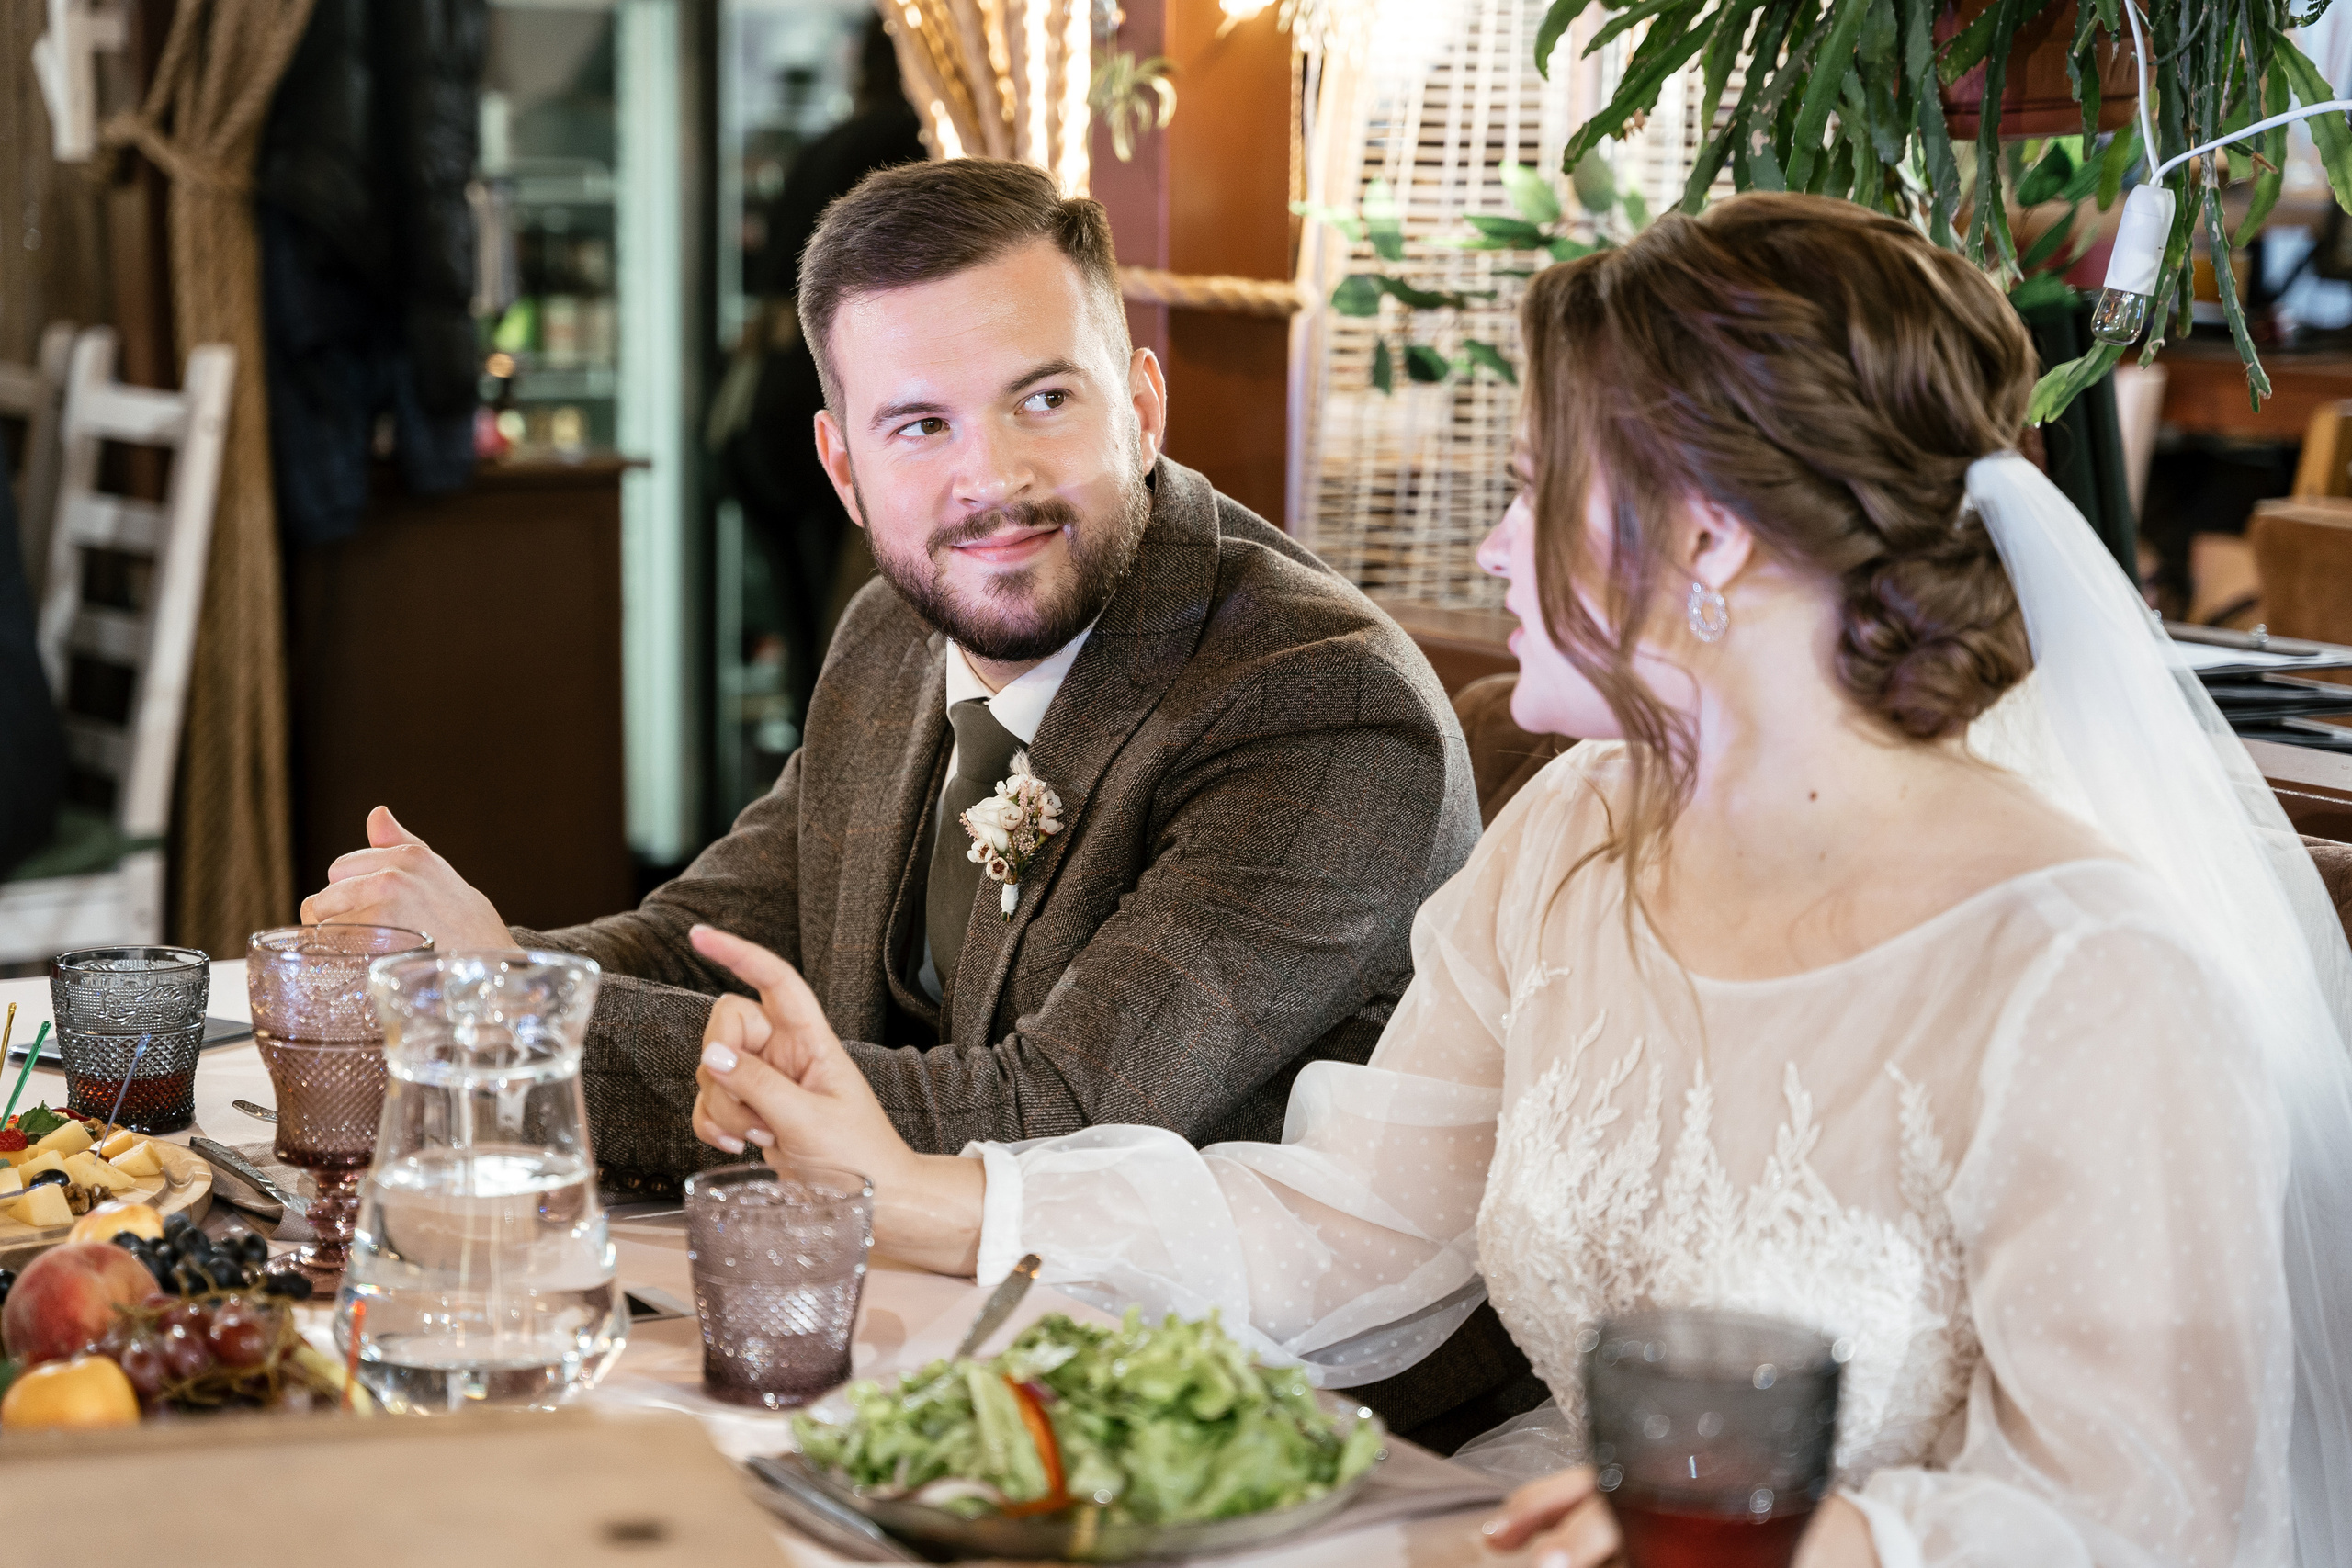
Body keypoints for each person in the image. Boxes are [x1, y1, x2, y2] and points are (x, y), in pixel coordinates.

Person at [683, 192, 2352, 1564]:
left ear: (1702, 541)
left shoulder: (2093, 977)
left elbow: (2157, 1518)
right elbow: (1359, 1223)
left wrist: (1826, 1539)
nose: (1493, 548)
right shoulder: (1577, 836)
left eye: (1534, 485)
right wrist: (919, 1192)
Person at [300, 161, 1479, 1228]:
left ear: (1144, 407)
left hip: (1240, 1394)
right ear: (843, 469)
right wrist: (454, 964)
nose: (992, 482)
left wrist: (507, 1005)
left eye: (1045, 401)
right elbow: (705, 943)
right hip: (916, 1307)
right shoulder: (889, 628)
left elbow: (1046, 1128)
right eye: (921, 426)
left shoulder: (1323, 711)